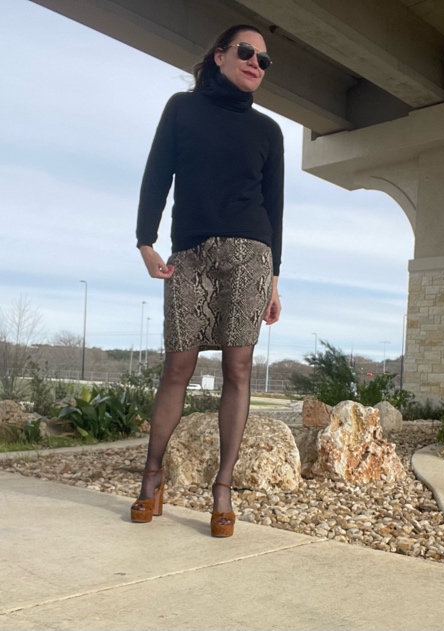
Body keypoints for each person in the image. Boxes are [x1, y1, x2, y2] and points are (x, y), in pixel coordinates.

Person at [130, 24, 284, 538]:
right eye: (246, 52)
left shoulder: (269, 132)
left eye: (264, 61)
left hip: (251, 254)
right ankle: (152, 477)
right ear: (220, 56)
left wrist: (275, 279)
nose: (255, 64)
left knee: (239, 367)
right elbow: (158, 172)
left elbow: (275, 209)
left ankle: (223, 489)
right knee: (178, 365)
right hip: (190, 254)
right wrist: (145, 241)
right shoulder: (182, 108)